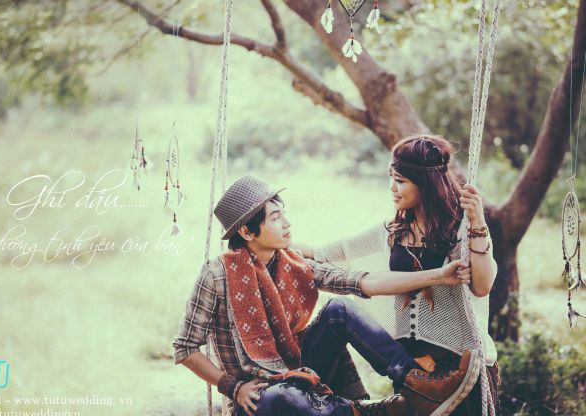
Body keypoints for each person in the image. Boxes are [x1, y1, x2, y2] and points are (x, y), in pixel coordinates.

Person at [173, 174, 479, 416]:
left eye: (284, 214)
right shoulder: (217, 275)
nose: (287, 223)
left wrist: (439, 275)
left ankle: (417, 385)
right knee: (278, 398)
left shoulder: (292, 263)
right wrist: (233, 387)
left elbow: (362, 282)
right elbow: (185, 348)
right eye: (275, 217)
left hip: (298, 370)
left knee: (340, 309)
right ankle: (371, 412)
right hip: (258, 395)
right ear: (247, 232)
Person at [297, 134, 501, 415]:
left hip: (456, 370)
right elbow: (321, 252)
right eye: (391, 178)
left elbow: (482, 286)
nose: (392, 188)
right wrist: (267, 245)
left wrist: (477, 222)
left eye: (401, 181)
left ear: (426, 183)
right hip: (412, 371)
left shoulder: (461, 231)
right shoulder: (393, 231)